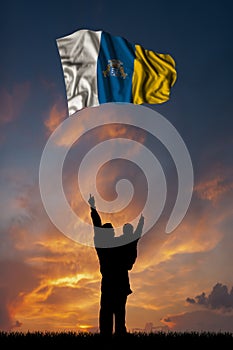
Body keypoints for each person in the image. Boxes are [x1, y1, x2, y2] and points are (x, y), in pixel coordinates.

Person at [88, 194, 144, 337]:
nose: (114, 232)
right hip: (116, 284)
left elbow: (133, 238)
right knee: (117, 314)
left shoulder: (107, 245)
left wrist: (93, 208)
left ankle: (110, 336)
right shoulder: (109, 245)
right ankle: (114, 336)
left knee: (112, 314)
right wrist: (93, 209)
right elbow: (97, 225)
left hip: (112, 284)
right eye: (112, 231)